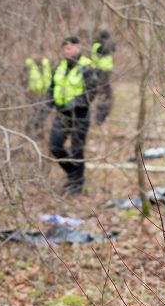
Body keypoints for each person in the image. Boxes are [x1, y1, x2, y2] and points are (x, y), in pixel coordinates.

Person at [49, 36, 98, 195]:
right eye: (65, 48)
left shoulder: (87, 67)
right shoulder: (59, 67)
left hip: (80, 114)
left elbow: (91, 92)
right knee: (55, 146)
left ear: (78, 48)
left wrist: (75, 103)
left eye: (69, 48)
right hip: (62, 113)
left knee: (77, 149)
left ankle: (77, 184)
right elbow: (51, 89)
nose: (66, 51)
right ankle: (72, 173)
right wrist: (43, 110)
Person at [25, 51, 53, 138]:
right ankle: (29, 130)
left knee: (42, 114)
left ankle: (39, 132)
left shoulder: (47, 63)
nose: (38, 56)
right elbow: (23, 78)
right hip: (32, 94)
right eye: (36, 53)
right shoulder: (28, 64)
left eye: (40, 53)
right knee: (33, 114)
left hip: (44, 93)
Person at [91, 30, 115, 125]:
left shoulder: (102, 45)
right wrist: (109, 43)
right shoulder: (97, 46)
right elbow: (106, 49)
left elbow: (113, 48)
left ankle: (101, 118)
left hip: (105, 73)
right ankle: (99, 119)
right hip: (100, 72)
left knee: (107, 95)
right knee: (103, 96)